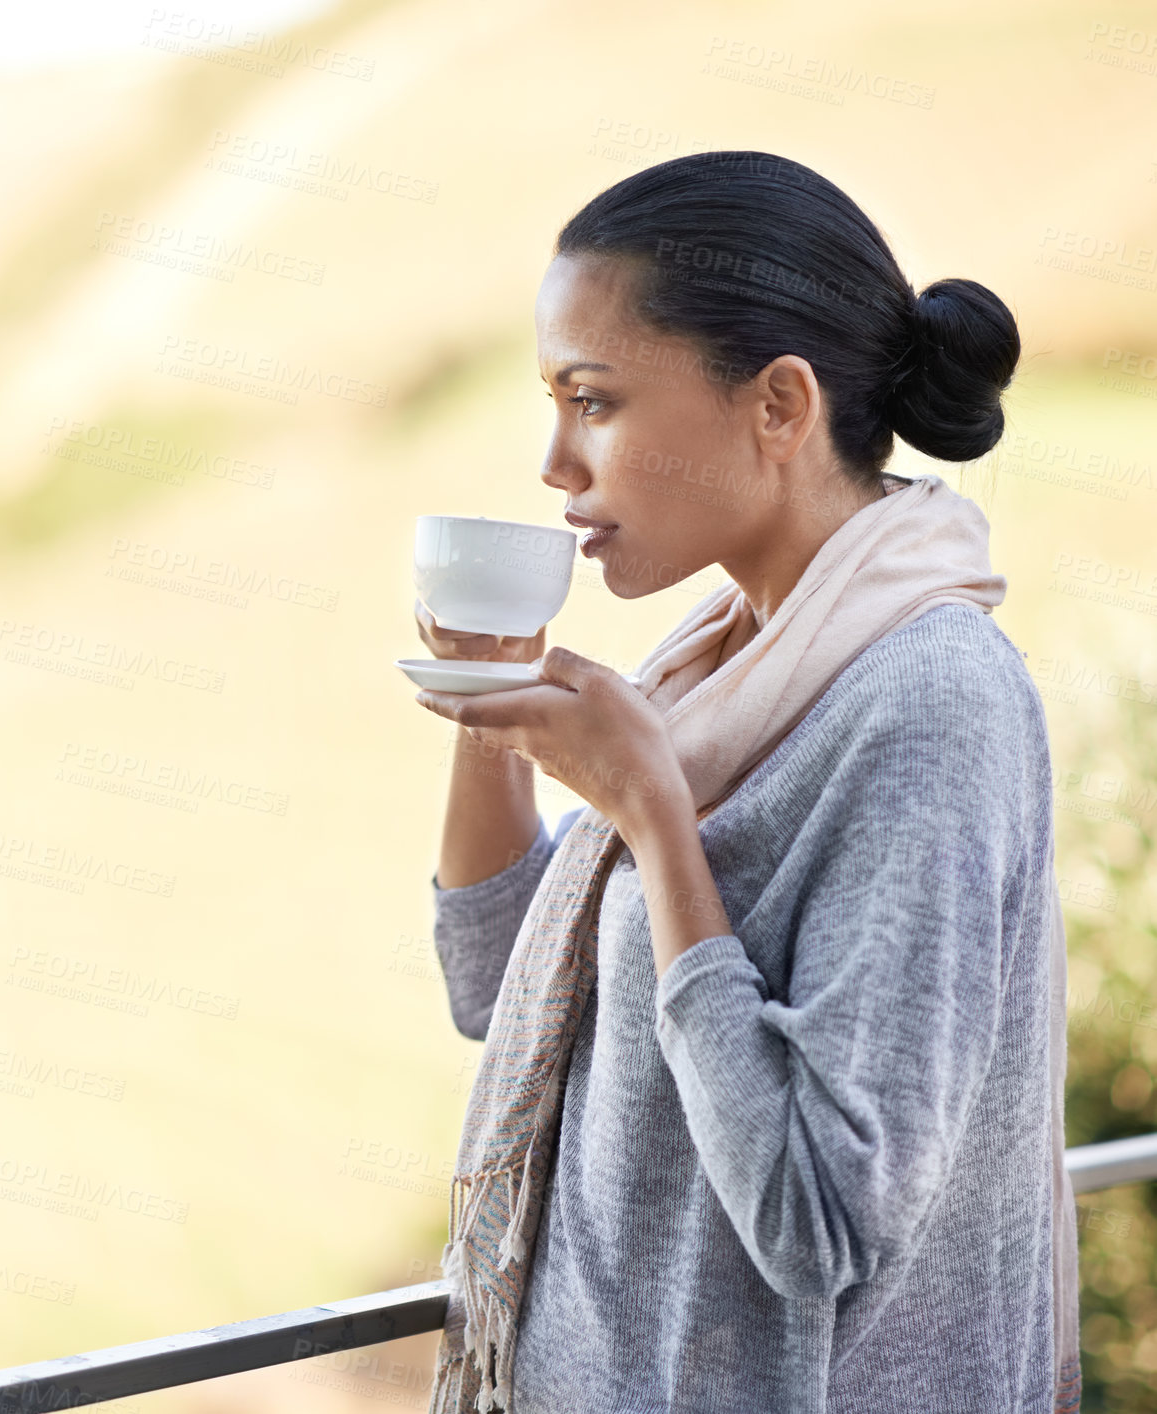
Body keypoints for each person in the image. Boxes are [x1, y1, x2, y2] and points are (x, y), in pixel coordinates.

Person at [410, 151, 1079, 1413]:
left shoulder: (927, 704)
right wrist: (490, 703)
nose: (556, 459)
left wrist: (654, 815)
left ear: (778, 405)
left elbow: (818, 1217)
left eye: (592, 399)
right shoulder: (719, 668)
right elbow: (494, 987)